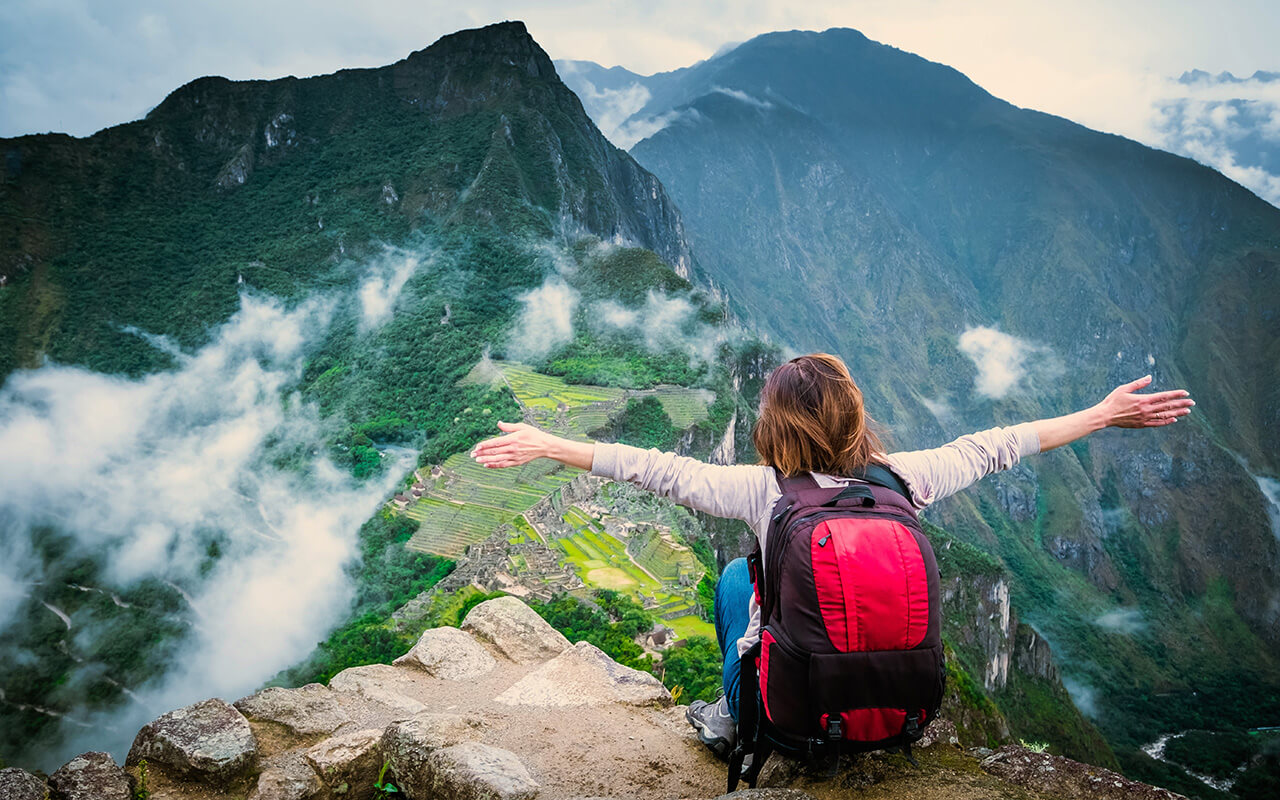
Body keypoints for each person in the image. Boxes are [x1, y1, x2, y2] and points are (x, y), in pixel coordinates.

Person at [469, 353, 1193, 758]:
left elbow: (654, 467)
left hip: (792, 721)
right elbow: (1000, 445)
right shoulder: (905, 478)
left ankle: (734, 719)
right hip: (901, 713)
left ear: (773, 429)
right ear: (855, 419)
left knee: (733, 578)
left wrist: (551, 445)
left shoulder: (763, 493)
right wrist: (1101, 414)